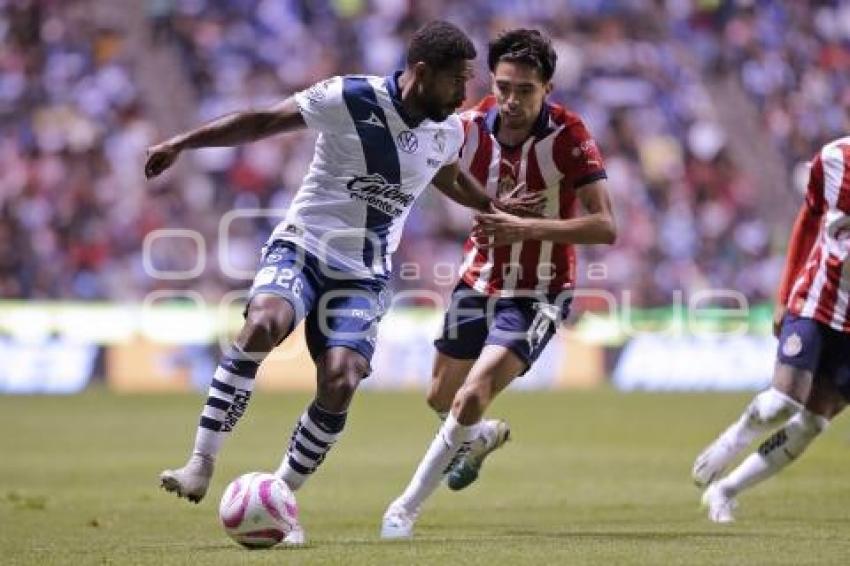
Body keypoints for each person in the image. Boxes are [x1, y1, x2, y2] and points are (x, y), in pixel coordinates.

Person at [145, 20, 540, 544]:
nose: (464, 92)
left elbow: (444, 174)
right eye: (457, 79)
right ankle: (200, 462)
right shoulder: (348, 96)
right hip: (302, 247)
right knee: (264, 322)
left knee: (342, 379)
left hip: (364, 275)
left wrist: (492, 206)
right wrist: (182, 143)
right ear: (422, 73)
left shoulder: (447, 131)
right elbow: (263, 121)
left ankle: (279, 499)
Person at [380, 28, 617, 539]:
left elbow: (605, 225)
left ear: (547, 88)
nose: (511, 100)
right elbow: (428, 159)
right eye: (504, 86)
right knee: (439, 397)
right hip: (476, 280)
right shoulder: (466, 126)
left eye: (525, 90)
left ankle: (404, 508)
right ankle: (479, 438)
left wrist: (528, 227)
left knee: (471, 394)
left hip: (539, 292)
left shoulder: (570, 137)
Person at [693, 136, 850, 523]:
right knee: (784, 402)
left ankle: (725, 491)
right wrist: (784, 294)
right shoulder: (833, 160)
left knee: (814, 421)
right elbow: (808, 220)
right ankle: (737, 435)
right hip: (817, 299)